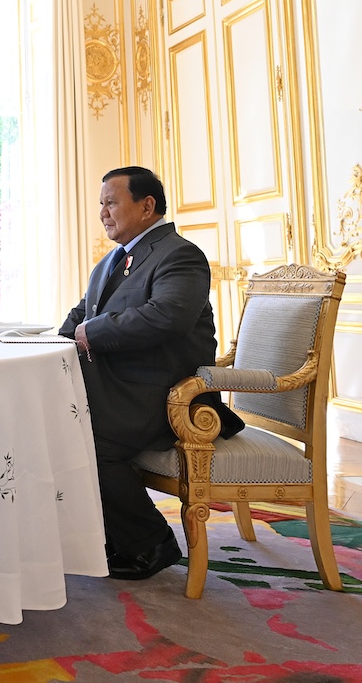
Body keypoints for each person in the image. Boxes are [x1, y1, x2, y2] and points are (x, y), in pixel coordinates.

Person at [59, 166, 243, 581]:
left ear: (147, 206)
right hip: (120, 386)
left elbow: (167, 316)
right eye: (101, 204)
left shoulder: (180, 254)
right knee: (49, 419)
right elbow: (81, 314)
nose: (103, 213)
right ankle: (105, 535)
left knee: (83, 438)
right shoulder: (111, 260)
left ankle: (150, 543)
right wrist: (49, 342)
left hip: (165, 393)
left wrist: (91, 333)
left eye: (111, 203)